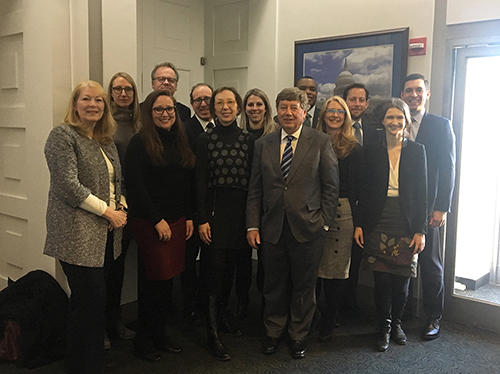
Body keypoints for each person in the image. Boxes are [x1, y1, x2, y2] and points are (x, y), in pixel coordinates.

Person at [246, 87, 339, 359]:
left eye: (293, 108)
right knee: (273, 285)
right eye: (283, 107)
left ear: (304, 110)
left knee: (303, 286)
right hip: (272, 227)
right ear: (277, 111)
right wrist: (252, 225)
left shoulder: (320, 141)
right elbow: (255, 189)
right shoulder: (263, 144)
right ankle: (273, 331)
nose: (288, 113)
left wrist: (323, 224)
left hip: (309, 228)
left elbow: (331, 187)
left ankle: (298, 334)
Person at [44, 80, 127, 374]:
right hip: (75, 232)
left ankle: (91, 359)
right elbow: (68, 185)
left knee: (95, 301)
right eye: (87, 99)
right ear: (75, 104)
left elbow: (117, 181)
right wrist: (108, 212)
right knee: (87, 301)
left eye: (99, 101)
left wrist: (121, 207)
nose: (93, 105)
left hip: (104, 232)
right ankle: (80, 364)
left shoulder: (106, 140)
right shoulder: (62, 136)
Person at [125, 90, 195, 362]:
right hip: (151, 223)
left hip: (177, 222)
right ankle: (144, 340)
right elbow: (136, 187)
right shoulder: (139, 143)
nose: (165, 114)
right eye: (158, 109)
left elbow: (185, 183)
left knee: (168, 283)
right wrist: (157, 220)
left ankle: (160, 335)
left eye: (169, 109)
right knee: (152, 283)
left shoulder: (181, 140)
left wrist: (188, 215)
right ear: (149, 113)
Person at [354, 98, 427, 352]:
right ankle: (383, 327)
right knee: (382, 279)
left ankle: (396, 324)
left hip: (405, 221)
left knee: (402, 280)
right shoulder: (371, 150)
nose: (395, 122)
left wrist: (420, 230)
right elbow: (363, 190)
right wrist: (360, 224)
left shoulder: (417, 151)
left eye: (400, 118)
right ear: (382, 121)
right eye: (390, 117)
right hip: (378, 218)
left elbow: (422, 194)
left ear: (406, 121)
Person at [196, 87, 254, 361]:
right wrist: (203, 219)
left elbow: (254, 184)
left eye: (230, 102)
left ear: (238, 107)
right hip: (215, 215)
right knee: (213, 273)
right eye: (220, 103)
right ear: (213, 108)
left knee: (231, 270)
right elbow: (199, 184)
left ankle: (223, 316)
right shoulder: (204, 139)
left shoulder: (248, 140)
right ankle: (212, 332)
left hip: (240, 215)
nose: (226, 107)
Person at [400, 73, 456, 340]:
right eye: (409, 91)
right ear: (402, 95)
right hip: (400, 207)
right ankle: (403, 313)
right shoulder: (396, 123)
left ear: (427, 94)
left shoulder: (440, 125)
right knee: (400, 261)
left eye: (418, 90)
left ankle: (433, 316)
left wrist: (442, 207)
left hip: (429, 207)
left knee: (430, 264)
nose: (414, 95)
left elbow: (448, 168)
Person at [315, 96, 362, 341]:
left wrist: (359, 222)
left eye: (339, 112)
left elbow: (358, 189)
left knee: (336, 269)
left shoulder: (353, 148)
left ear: (346, 117)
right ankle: (313, 314)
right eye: (330, 111)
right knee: (314, 266)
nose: (334, 115)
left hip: (343, 212)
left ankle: (330, 318)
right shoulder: (311, 142)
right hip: (314, 209)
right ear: (323, 115)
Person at [105, 72, 140, 346]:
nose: (123, 93)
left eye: (128, 89)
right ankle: (108, 324)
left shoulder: (141, 123)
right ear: (111, 92)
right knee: (112, 268)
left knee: (137, 265)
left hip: (141, 204)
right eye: (118, 89)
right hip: (116, 206)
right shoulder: (103, 125)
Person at [181, 82, 214, 325]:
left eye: (207, 99)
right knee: (189, 262)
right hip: (191, 208)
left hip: (218, 208)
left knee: (212, 261)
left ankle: (209, 304)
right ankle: (188, 308)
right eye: (198, 100)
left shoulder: (223, 128)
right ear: (192, 104)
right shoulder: (183, 130)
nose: (203, 104)